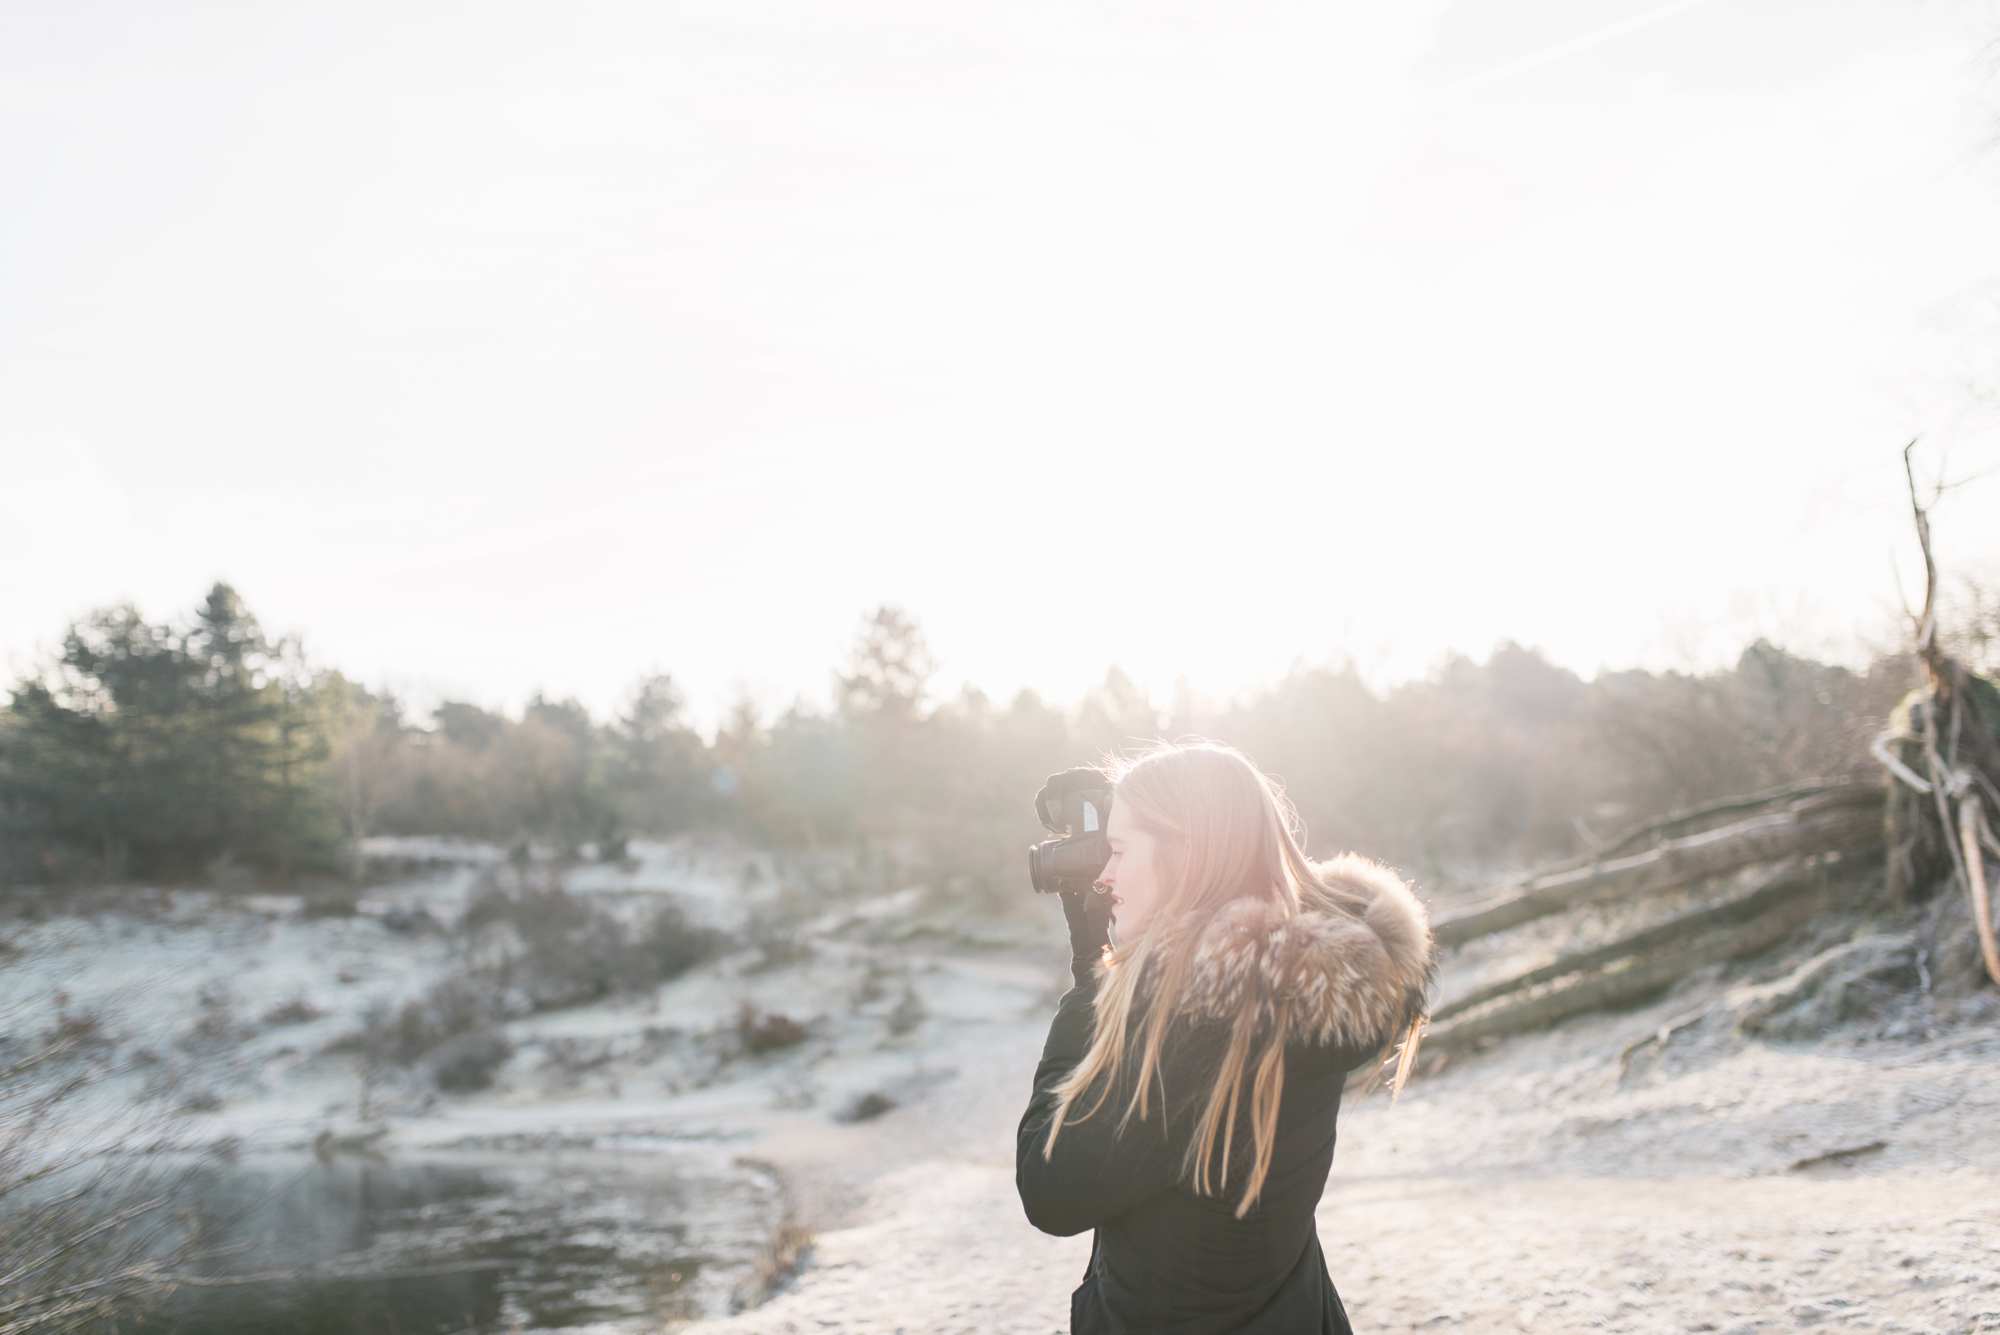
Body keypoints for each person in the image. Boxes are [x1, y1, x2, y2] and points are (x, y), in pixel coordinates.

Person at [1015, 739, 1438, 1334]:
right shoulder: (1283, 993)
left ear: (1187, 855)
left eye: (1117, 850)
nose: (1104, 876)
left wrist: (1091, 984)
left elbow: (1050, 1188)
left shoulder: (1198, 1035)